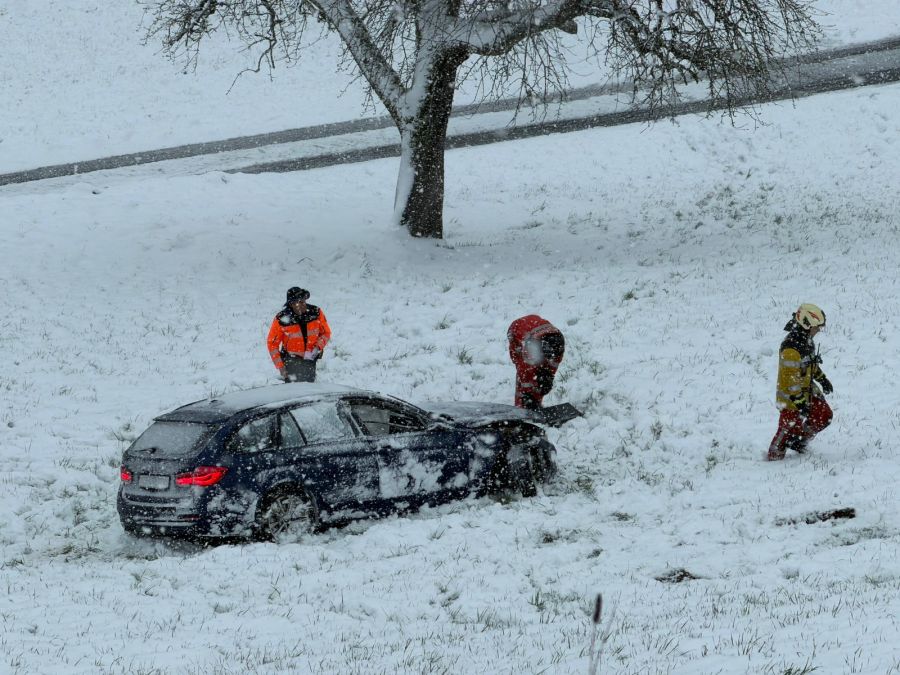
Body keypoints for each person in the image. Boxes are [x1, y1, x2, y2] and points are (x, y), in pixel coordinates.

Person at [767, 303, 833, 461]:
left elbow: (809, 364)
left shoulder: (806, 340)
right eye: (817, 327)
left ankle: (799, 441)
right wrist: (799, 401)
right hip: (791, 398)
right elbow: (790, 379)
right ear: (806, 324)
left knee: (824, 415)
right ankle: (773, 459)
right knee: (787, 428)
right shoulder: (791, 348)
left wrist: (822, 379)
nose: (818, 330)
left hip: (807, 391)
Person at [266, 287, 332, 383]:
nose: (301, 305)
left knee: (309, 389)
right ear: (290, 304)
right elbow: (272, 344)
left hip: (310, 359)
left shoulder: (316, 313)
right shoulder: (282, 319)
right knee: (293, 391)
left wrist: (317, 348)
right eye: (297, 302)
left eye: (302, 301)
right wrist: (280, 367)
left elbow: (326, 333)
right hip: (291, 361)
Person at [507, 315, 565, 410]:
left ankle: (534, 404)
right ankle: (520, 407)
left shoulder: (558, 347)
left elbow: (552, 366)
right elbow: (525, 372)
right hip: (516, 329)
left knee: (539, 375)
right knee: (525, 372)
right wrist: (528, 396)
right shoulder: (530, 347)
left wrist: (548, 378)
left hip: (535, 328)